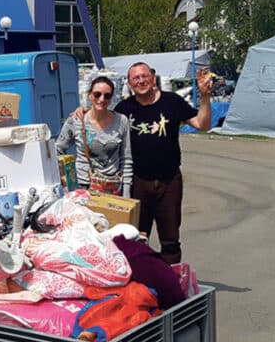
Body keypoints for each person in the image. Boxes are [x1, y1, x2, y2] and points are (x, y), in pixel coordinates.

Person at [75, 62, 212, 264]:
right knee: (135, 236)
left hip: (169, 182)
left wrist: (205, 97)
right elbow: (101, 117)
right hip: (137, 183)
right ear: (129, 83)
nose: (141, 81)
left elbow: (202, 124)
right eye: (135, 78)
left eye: (144, 76)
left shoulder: (172, 102)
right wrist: (83, 111)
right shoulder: (124, 109)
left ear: (152, 77)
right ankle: (144, 283)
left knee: (170, 240)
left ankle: (171, 284)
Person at [57, 76, 133, 198]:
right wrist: (65, 181)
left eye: (107, 96)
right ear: (90, 95)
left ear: (111, 99)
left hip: (112, 187)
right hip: (83, 187)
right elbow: (59, 149)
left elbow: (126, 159)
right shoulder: (76, 121)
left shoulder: (121, 121)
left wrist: (126, 192)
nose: (101, 99)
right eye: (97, 94)